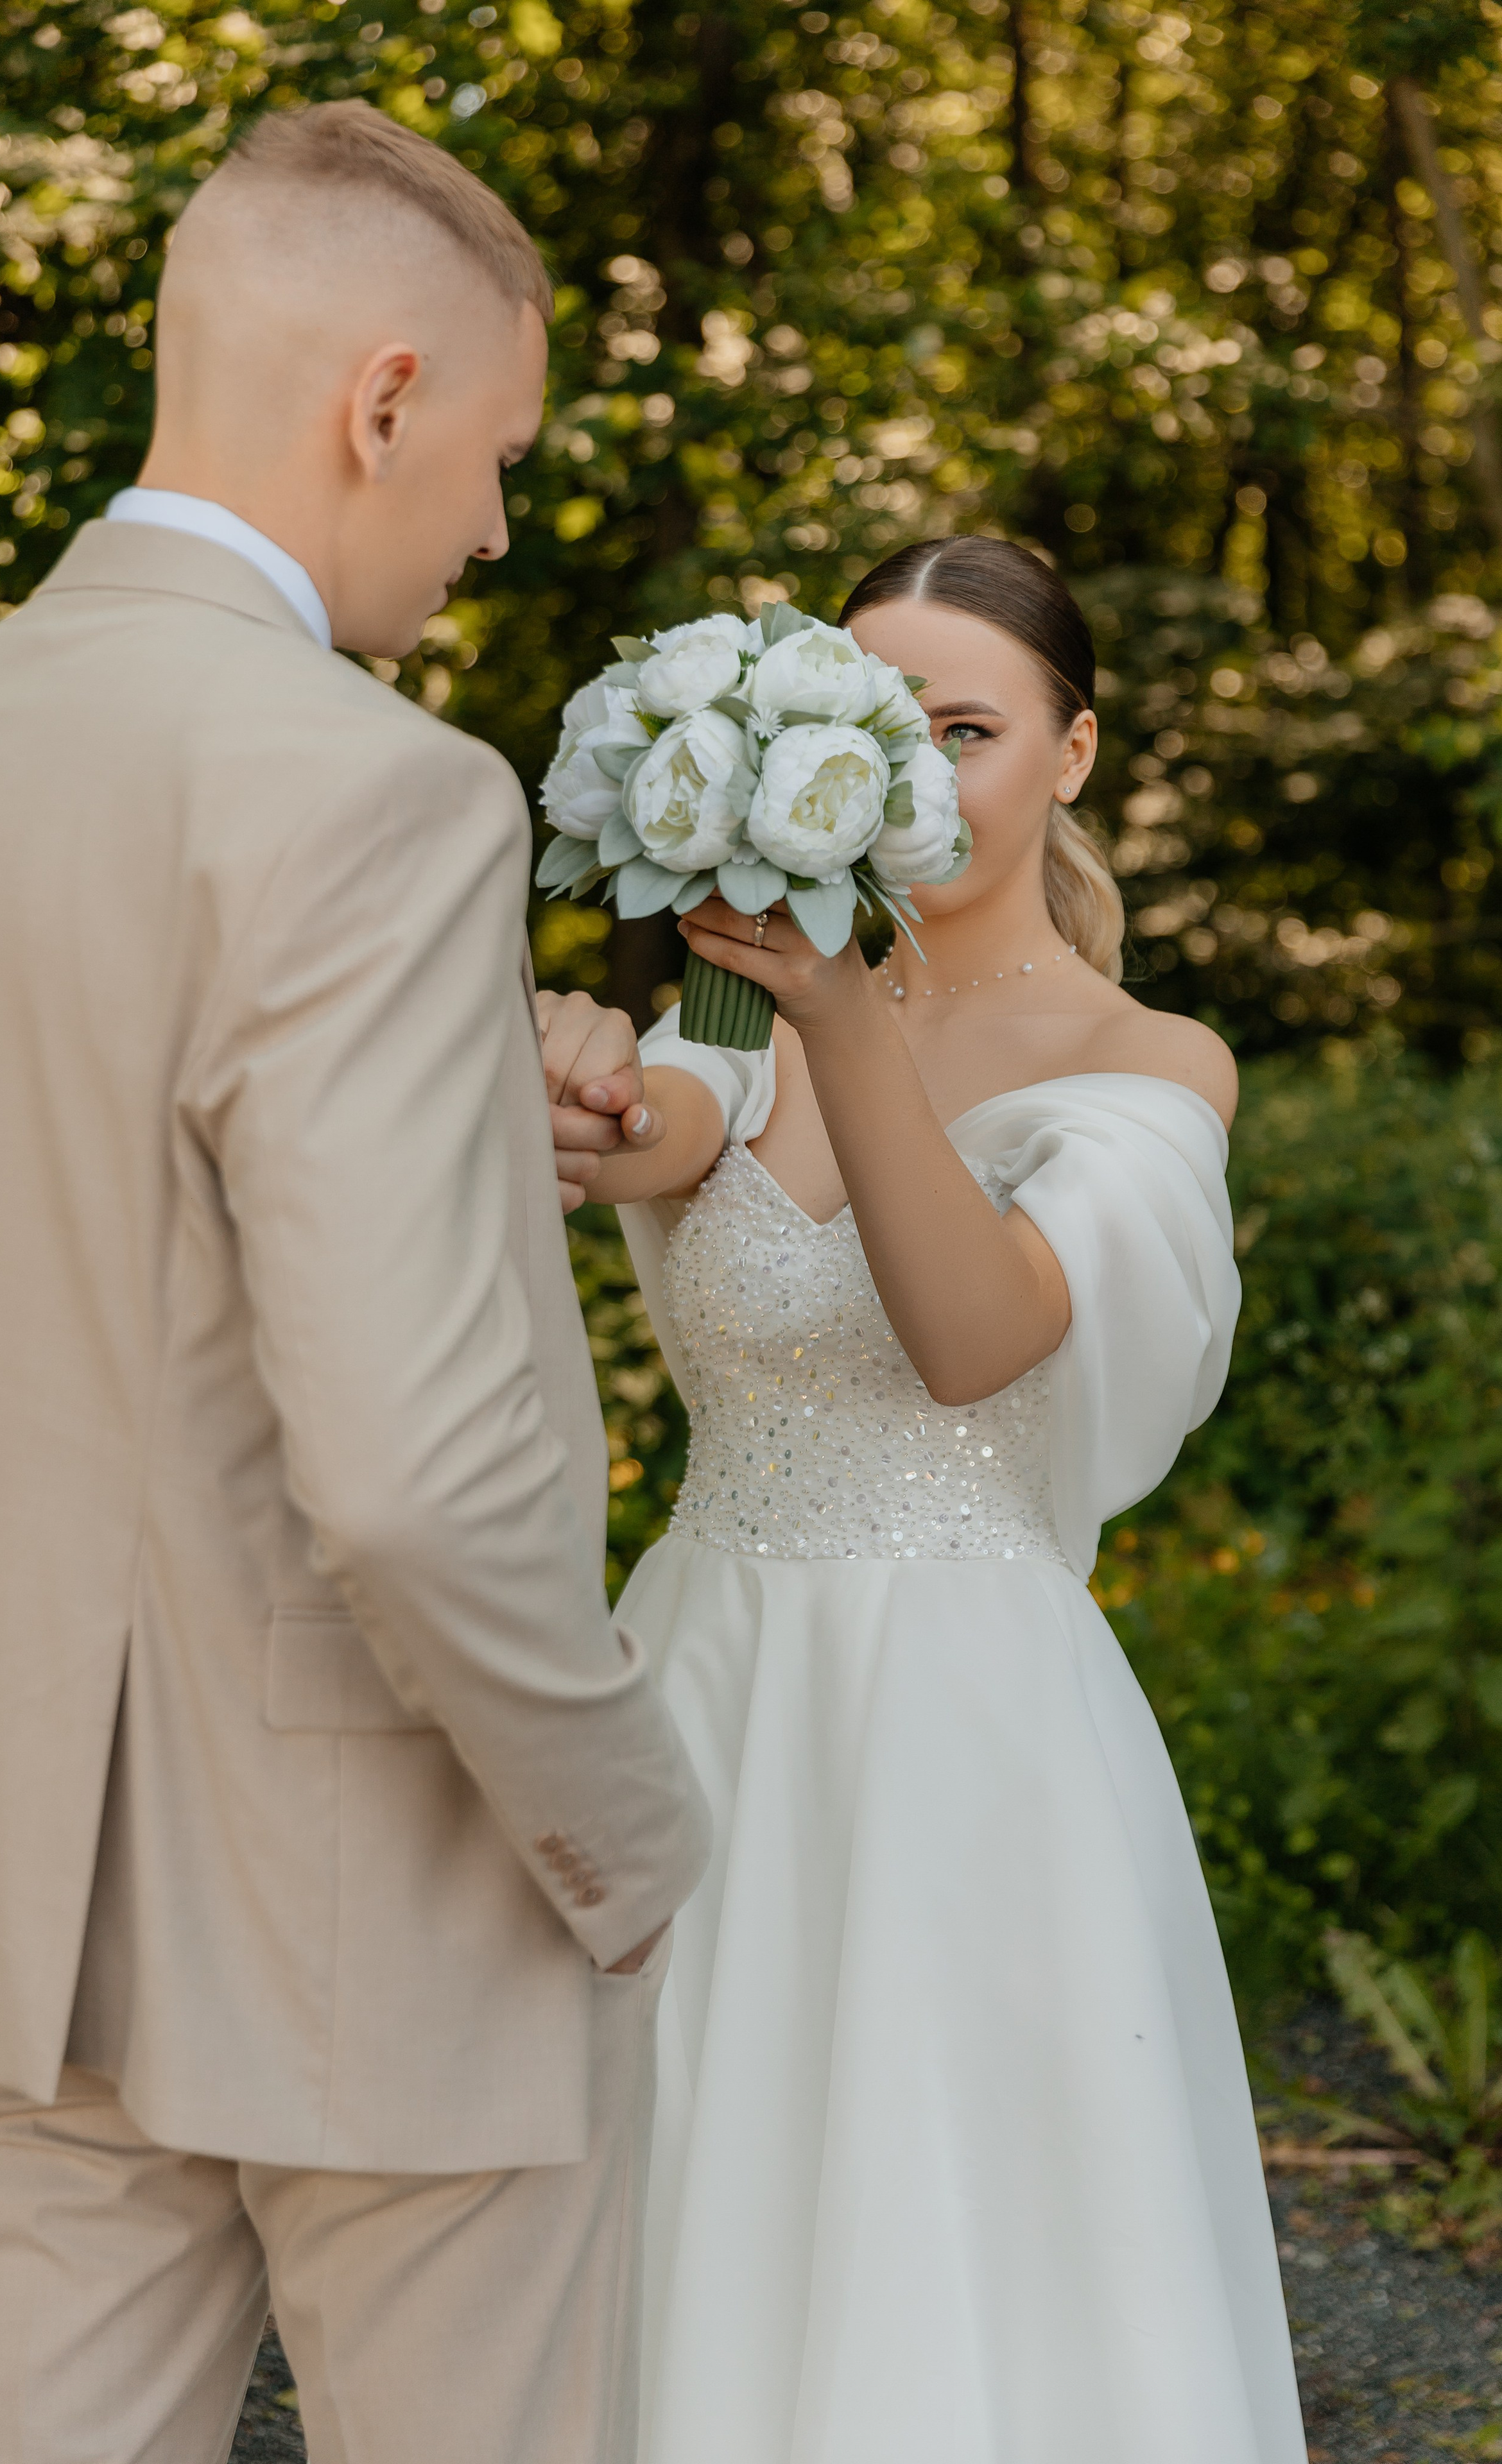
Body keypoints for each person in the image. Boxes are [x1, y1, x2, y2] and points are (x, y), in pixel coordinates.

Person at [0, 102, 708, 2464]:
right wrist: (623, 1823)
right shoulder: (376, 790)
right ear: (387, 399)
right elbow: (418, 1478)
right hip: (388, 1906)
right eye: (502, 456)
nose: (499, 526)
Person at [555, 536, 1308, 2462]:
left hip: (967, 1740)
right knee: (682, 2232)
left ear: (1067, 754)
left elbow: (978, 1336)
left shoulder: (1154, 1065)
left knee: (942, 2260)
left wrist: (850, 1027)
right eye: (874, 728)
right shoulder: (738, 1026)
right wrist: (562, 1058)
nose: (911, 779)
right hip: (703, 1691)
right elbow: (628, 1140)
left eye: (961, 730)